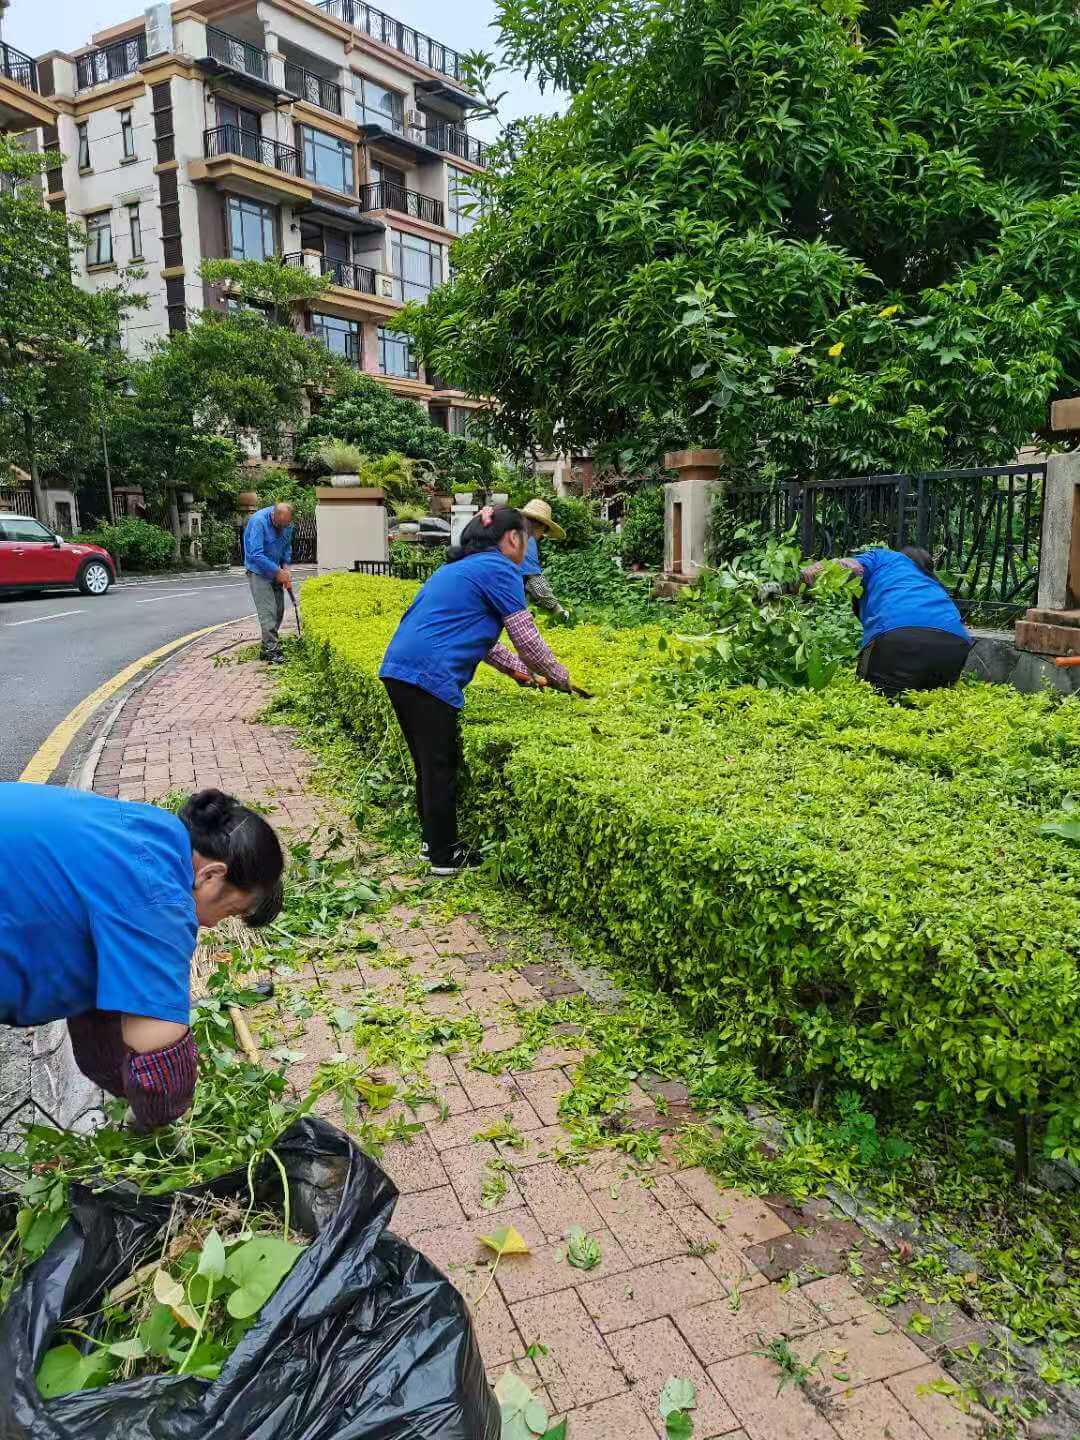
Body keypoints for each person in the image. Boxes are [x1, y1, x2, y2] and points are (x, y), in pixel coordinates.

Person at [0, 785, 285, 1131]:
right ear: (211, 875)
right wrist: (164, 1126)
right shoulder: (160, 899)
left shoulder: (153, 831)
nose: (210, 924)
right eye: (229, 910)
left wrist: (122, 1081)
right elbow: (161, 1068)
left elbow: (104, 1023)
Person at [380, 506, 579, 875]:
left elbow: (485, 643)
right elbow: (526, 638)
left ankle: (433, 845)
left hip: (400, 670)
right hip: (430, 675)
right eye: (529, 537)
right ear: (513, 538)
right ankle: (444, 856)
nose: (531, 545)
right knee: (441, 766)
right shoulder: (501, 568)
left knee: (428, 765)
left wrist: (522, 674)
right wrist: (560, 676)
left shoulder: (457, 570)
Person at [801, 545, 971, 697]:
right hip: (955, 645)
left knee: (875, 700)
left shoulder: (885, 557)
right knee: (930, 701)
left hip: (898, 636)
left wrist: (822, 568)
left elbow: (850, 565)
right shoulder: (933, 583)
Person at [244, 502, 294, 664]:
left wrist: (285, 566)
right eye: (280, 525)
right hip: (258, 571)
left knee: (279, 610)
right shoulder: (259, 522)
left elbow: (286, 545)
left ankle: (266, 646)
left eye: (286, 525)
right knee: (268, 612)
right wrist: (277, 571)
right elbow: (256, 554)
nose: (283, 528)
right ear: (273, 516)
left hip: (275, 569)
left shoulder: (287, 524)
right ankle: (271, 649)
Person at [519, 498, 570, 620]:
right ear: (539, 525)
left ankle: (522, 613)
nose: (541, 536)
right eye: (544, 531)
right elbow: (535, 581)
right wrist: (556, 608)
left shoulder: (510, 532)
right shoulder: (526, 540)